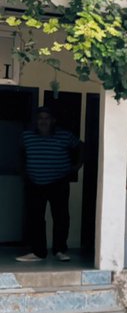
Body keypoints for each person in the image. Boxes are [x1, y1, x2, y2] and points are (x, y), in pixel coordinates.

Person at [17, 107, 82, 263]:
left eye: (47, 118)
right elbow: (21, 153)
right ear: (36, 121)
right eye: (40, 118)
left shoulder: (65, 135)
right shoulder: (27, 136)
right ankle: (38, 252)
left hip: (58, 181)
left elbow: (82, 147)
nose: (43, 121)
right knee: (35, 218)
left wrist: (76, 166)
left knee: (61, 217)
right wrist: (23, 172)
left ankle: (60, 250)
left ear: (53, 120)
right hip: (34, 182)